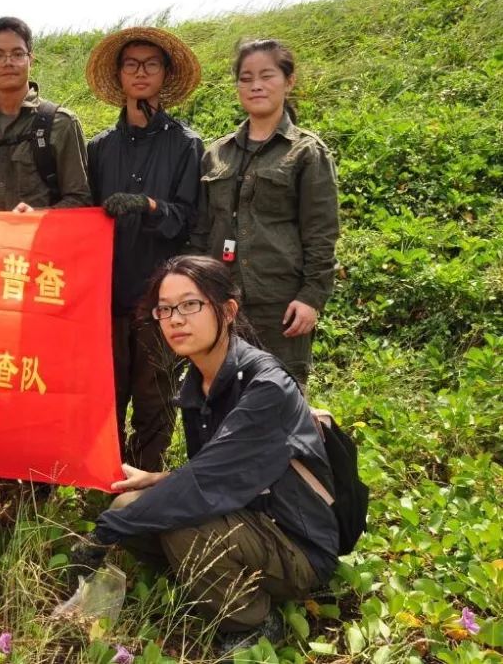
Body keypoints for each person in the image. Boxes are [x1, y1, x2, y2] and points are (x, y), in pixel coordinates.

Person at [67, 255, 339, 658]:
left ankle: (255, 620)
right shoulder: (198, 381)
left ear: (227, 310)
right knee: (131, 502)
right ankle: (213, 583)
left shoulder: (266, 387)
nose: (176, 319)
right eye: (165, 309)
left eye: (190, 305)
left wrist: (104, 533)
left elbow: (210, 482)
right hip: (248, 518)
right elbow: (225, 470)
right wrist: (159, 482)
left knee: (181, 526)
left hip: (297, 546)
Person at [84, 27, 204, 471]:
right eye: (131, 64)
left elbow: (189, 219)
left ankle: (147, 480)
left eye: (150, 64)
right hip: (107, 297)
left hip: (161, 298)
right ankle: (105, 475)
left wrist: (150, 207)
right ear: (119, 75)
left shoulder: (186, 145)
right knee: (106, 391)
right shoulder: (99, 148)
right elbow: (82, 216)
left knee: (157, 396)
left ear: (164, 74)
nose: (140, 72)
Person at [190, 39, 339, 385]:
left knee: (280, 406)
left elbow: (321, 232)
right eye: (246, 78)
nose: (255, 85)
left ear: (289, 81)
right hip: (223, 303)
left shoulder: (306, 153)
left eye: (266, 75)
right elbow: (202, 229)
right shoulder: (217, 154)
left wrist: (311, 298)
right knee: (222, 400)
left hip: (280, 306)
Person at [0, 17, 91, 213]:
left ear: (30, 59)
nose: (8, 62)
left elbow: (81, 199)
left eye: (17, 54)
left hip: (41, 242)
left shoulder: (60, 123)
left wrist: (37, 216)